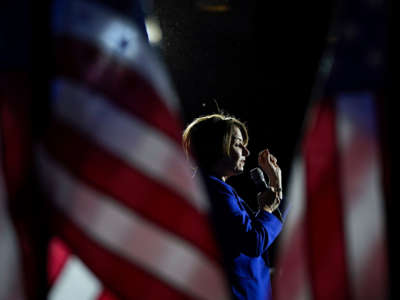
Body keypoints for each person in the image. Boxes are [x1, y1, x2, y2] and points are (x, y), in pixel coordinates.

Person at [182, 113, 286, 300]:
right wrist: (268, 207)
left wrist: (275, 187)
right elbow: (253, 242)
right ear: (217, 147)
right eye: (238, 144)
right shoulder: (216, 192)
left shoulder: (215, 189)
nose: (246, 152)